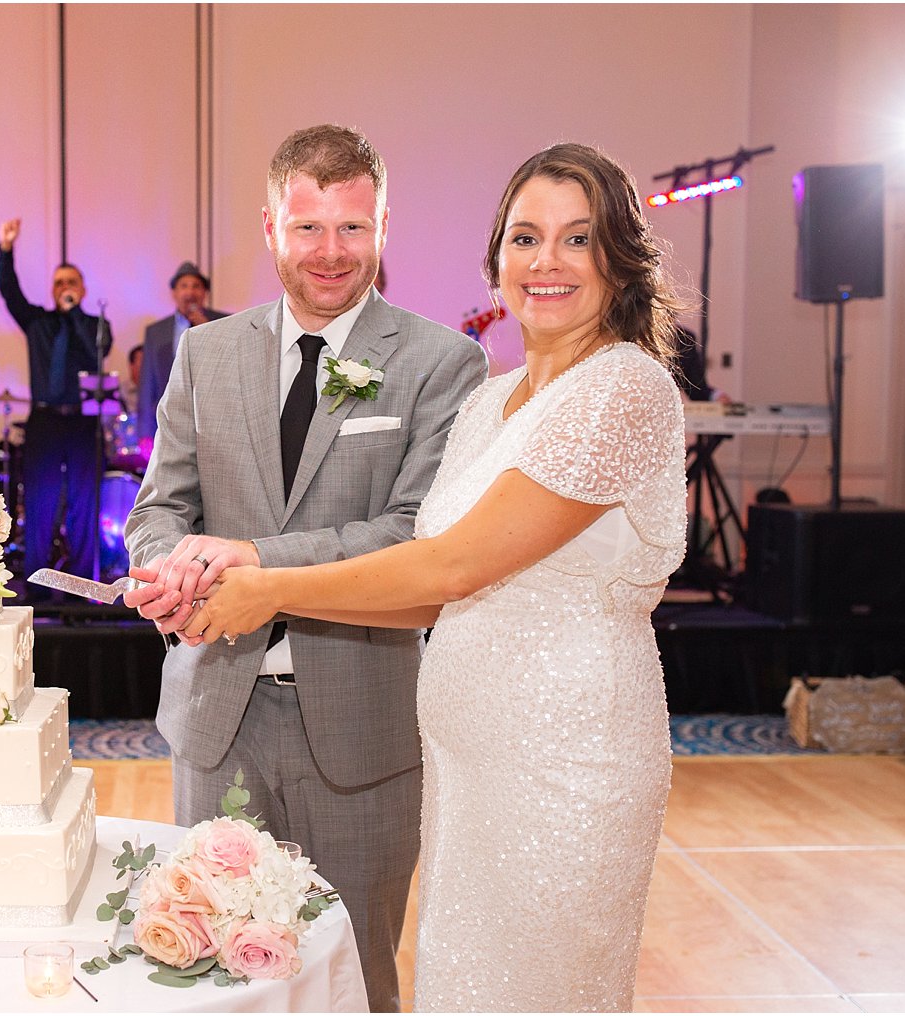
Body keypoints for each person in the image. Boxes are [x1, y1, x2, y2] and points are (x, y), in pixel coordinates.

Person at [181, 142, 689, 1011]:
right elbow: (421, 592)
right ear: (496, 257)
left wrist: (266, 583)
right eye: (525, 238)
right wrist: (238, 564)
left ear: (620, 259)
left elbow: (453, 563)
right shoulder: (494, 401)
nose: (546, 262)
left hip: (566, 759)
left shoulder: (624, 390)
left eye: (578, 239)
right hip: (467, 765)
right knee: (462, 983)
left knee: (543, 987)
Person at [122, 124, 488, 1012]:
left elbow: (412, 538)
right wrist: (163, 571)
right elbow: (158, 509)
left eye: (353, 229)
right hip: (219, 723)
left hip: (361, 724)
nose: (331, 253)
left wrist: (251, 558)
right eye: (308, 228)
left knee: (355, 978)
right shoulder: (205, 355)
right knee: (210, 967)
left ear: (384, 228)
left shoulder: (443, 363)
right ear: (269, 227)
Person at [0, 218, 111, 583]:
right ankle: (38, 586)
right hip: (44, 421)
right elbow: (9, 292)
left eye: (71, 283)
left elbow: (100, 351)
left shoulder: (95, 324)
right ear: (51, 289)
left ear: (82, 289)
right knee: (41, 505)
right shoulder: (37, 323)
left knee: (83, 505)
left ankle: (80, 585)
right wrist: (6, 250)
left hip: (83, 423)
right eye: (59, 282)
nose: (64, 287)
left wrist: (74, 313)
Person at [135, 261, 227, 440]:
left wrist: (208, 329)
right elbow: (147, 383)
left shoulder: (223, 323)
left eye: (196, 286)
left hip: (212, 419)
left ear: (204, 293)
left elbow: (229, 367)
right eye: (183, 286)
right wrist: (144, 433)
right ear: (174, 293)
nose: (190, 292)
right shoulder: (156, 331)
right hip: (168, 421)